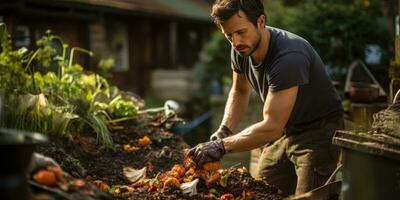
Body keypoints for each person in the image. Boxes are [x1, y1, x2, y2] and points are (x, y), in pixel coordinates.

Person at [188, 0, 344, 197]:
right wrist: (224, 131)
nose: (235, 42)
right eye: (229, 36)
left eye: (241, 32)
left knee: (308, 196)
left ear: (261, 21)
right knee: (260, 190)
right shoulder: (241, 49)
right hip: (284, 130)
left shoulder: (289, 55)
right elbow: (240, 91)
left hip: (318, 132)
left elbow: (272, 125)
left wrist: (221, 146)